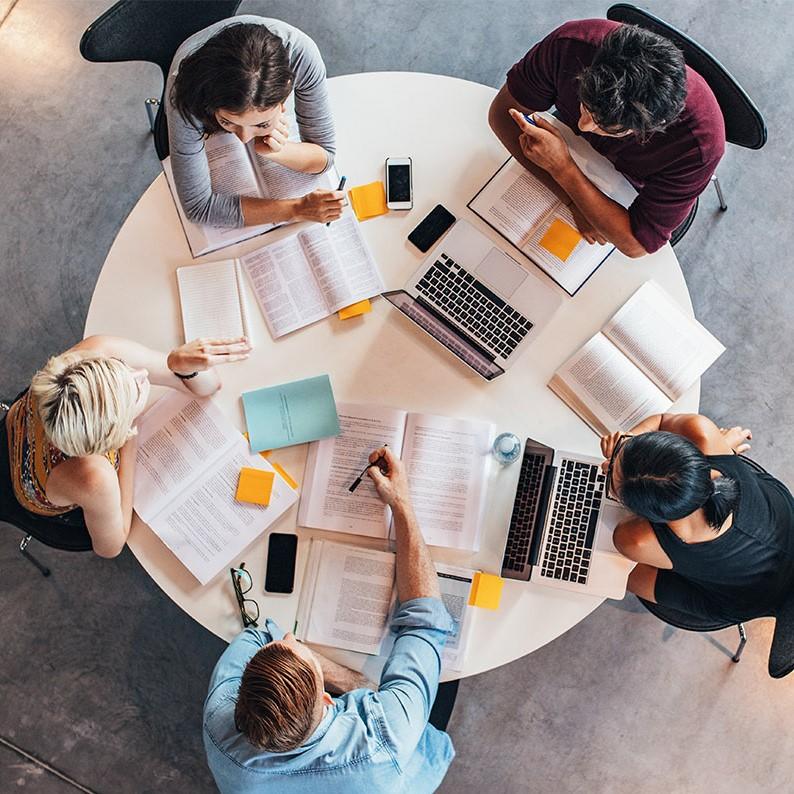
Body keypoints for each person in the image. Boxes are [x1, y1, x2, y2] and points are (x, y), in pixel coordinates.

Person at [203, 446, 456, 793]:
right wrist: (401, 503)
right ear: (326, 699)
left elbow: (260, 636)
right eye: (297, 648)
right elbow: (425, 622)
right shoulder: (386, 740)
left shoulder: (220, 722)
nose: (289, 638)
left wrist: (337, 676)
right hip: (401, 772)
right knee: (448, 678)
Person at [488, 20, 725, 257]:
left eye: (606, 126)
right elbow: (501, 114)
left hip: (631, 188)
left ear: (651, 128)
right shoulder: (571, 43)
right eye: (585, 105)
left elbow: (635, 245)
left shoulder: (700, 146)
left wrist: (563, 169)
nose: (584, 125)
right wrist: (572, 200)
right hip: (574, 152)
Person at [1, 334, 250, 558]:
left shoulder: (93, 354)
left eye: (120, 369)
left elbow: (208, 387)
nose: (141, 374)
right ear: (112, 437)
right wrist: (131, 435)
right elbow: (111, 546)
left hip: (25, 433)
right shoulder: (93, 475)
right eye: (132, 393)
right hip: (32, 493)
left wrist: (181, 368)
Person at [601, 414, 794, 621]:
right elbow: (661, 420)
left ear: (646, 513)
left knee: (611, 573)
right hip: (781, 522)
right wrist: (628, 441)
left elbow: (628, 545)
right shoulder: (702, 431)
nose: (605, 466)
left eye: (609, 475)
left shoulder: (635, 539)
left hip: (744, 599)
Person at [166, 16, 345, 228]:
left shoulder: (302, 55)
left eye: (260, 124)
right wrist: (297, 208)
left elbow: (325, 157)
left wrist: (278, 151)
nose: (244, 139)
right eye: (227, 121)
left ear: (285, 96)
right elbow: (198, 208)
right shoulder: (185, 94)